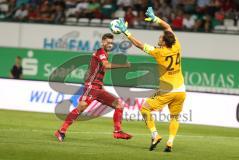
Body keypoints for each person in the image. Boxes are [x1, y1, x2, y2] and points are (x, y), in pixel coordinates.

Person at [116, 7, 186, 152]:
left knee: (144, 108)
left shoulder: (158, 52)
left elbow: (139, 44)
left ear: (164, 42)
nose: (158, 38)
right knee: (174, 117)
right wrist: (155, 18)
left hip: (167, 90)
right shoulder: (177, 45)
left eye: (160, 38)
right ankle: (170, 143)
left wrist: (126, 32)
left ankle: (155, 135)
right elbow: (168, 27)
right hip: (181, 90)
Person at [55, 33, 132, 142]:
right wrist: (124, 66)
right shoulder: (100, 52)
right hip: (92, 87)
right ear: (102, 42)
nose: (109, 44)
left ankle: (118, 131)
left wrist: (102, 87)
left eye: (111, 43)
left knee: (119, 105)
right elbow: (106, 65)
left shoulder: (105, 53)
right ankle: (61, 131)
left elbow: (98, 71)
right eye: (107, 42)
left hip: (98, 88)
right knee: (81, 108)